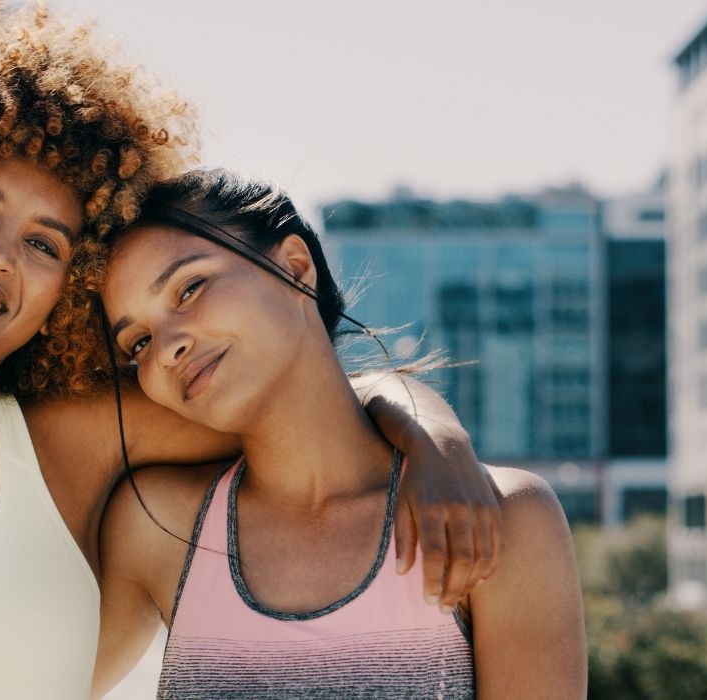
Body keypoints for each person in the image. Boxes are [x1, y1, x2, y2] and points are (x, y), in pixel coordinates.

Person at [0, 4, 500, 698]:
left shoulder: (78, 446)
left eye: (46, 243)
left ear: (68, 298)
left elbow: (308, 399)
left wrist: (438, 442)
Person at [93, 170, 588, 699]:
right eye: (139, 342)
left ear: (295, 266)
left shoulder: (502, 517)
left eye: (190, 288)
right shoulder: (153, 525)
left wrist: (433, 437)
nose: (167, 346)